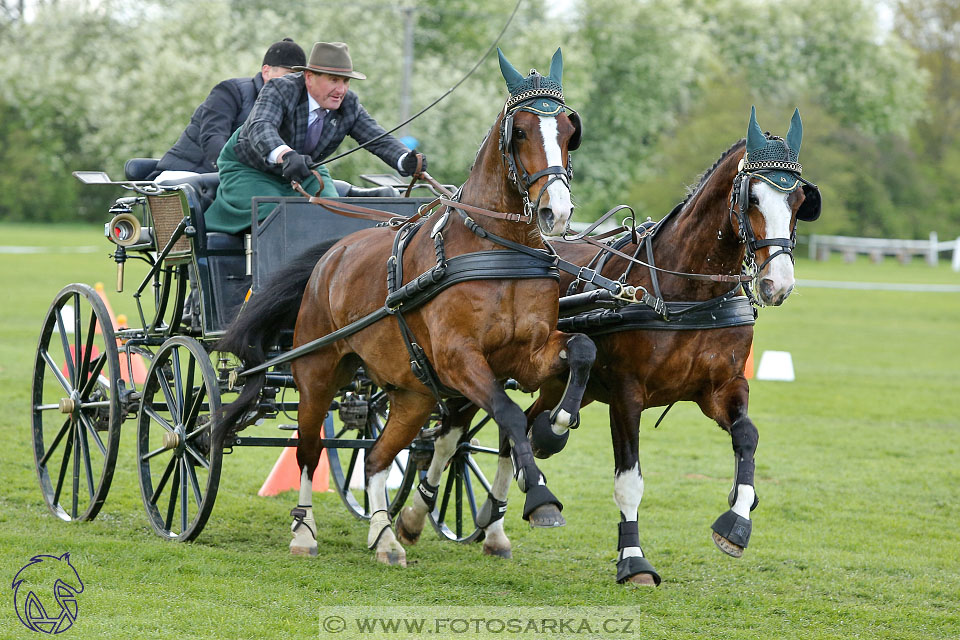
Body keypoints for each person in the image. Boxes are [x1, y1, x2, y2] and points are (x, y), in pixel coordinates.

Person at [203, 41, 427, 234]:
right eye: (333, 80)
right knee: (279, 215)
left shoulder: (348, 104)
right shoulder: (281, 89)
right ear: (309, 77)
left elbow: (376, 137)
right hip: (251, 168)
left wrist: (404, 158)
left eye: (346, 81)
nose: (341, 89)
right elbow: (261, 126)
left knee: (333, 214)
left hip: (306, 169)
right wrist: (285, 154)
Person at [150, 38, 307, 181]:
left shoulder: (294, 108)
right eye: (289, 75)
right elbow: (212, 138)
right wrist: (239, 174)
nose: (294, 82)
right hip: (187, 174)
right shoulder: (230, 91)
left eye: (298, 77)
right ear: (266, 71)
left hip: (238, 179)